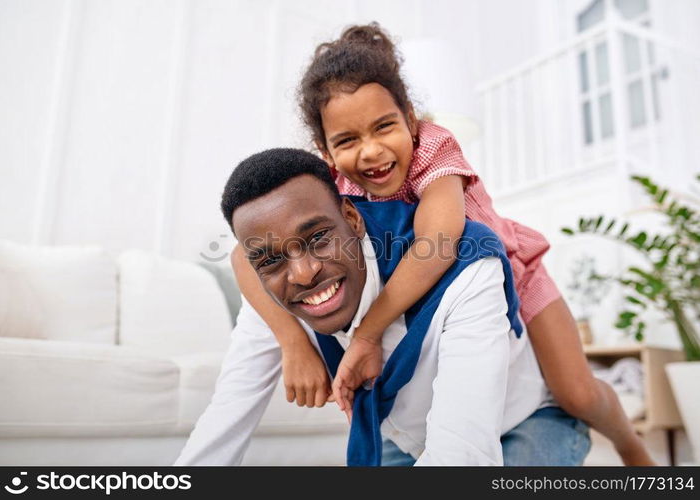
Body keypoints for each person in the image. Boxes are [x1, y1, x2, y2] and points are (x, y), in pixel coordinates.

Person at [231, 23, 653, 465]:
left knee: (576, 392)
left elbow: (439, 243)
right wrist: (293, 344)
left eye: (384, 127)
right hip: (437, 294)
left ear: (411, 120)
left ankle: (630, 444)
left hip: (510, 269)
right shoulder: (327, 184)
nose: (372, 151)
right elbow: (245, 255)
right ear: (326, 149)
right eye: (348, 141)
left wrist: (368, 334)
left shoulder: (434, 148)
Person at [176, 148, 590, 466]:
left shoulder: (466, 266)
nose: (302, 273)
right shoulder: (274, 296)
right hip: (409, 439)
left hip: (525, 420)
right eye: (270, 259)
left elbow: (461, 455)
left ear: (352, 218)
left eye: (319, 237)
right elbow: (221, 427)